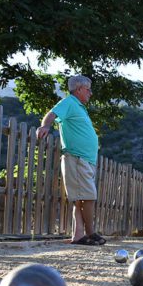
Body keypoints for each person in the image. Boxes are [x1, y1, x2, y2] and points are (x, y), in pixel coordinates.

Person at [37, 74, 105, 246]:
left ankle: (79, 235)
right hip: (77, 158)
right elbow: (52, 114)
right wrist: (45, 126)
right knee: (88, 196)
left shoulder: (80, 107)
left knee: (80, 199)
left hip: (85, 159)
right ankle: (90, 233)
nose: (90, 93)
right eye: (88, 90)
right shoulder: (69, 102)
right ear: (79, 89)